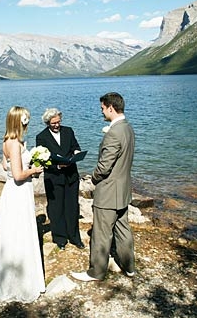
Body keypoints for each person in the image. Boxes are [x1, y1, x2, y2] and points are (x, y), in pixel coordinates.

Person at [0, 106, 45, 303]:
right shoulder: (15, 144)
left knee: (11, 229)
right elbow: (17, 175)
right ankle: (18, 278)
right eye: (26, 120)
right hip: (19, 190)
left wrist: (22, 167)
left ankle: (5, 266)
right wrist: (34, 170)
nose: (28, 123)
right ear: (19, 121)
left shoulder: (6, 141)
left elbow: (5, 166)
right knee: (19, 230)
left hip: (12, 192)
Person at [71, 92, 135, 282]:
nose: (101, 112)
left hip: (108, 192)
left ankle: (96, 272)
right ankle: (129, 266)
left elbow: (104, 166)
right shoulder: (128, 128)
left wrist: (94, 178)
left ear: (110, 108)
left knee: (101, 234)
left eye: (102, 108)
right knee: (123, 230)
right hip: (123, 190)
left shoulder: (114, 133)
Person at [36, 108, 85, 250]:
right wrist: (57, 167)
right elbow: (41, 159)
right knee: (56, 209)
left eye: (58, 122)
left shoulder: (68, 131)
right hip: (54, 178)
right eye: (53, 123)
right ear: (47, 123)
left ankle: (75, 237)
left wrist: (76, 152)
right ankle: (60, 239)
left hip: (71, 176)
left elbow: (75, 146)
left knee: (72, 207)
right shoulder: (42, 137)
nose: (57, 125)